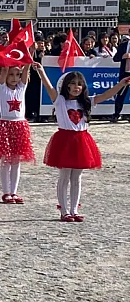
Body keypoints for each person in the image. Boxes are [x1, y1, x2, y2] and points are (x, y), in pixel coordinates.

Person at [34, 63, 130, 221]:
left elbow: (106, 95)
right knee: (64, 175)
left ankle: (74, 209)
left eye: (79, 84)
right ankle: (64, 210)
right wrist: (41, 71)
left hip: (81, 141)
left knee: (77, 177)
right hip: (65, 140)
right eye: (72, 84)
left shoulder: (86, 102)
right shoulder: (59, 101)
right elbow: (47, 85)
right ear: (66, 85)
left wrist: (121, 84)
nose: (76, 87)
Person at [0, 65, 34, 204]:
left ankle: (14, 192)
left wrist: (29, 55)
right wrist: (7, 61)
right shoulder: (1, 88)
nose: (15, 78)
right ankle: (6, 192)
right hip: (6, 125)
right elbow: (3, 71)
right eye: (11, 74)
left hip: (19, 126)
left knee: (16, 161)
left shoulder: (21, 88)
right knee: (6, 161)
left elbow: (26, 69)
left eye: (17, 75)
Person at [111, 37, 130, 122]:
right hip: (125, 73)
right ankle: (116, 114)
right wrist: (123, 56)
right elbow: (115, 58)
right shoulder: (123, 45)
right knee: (121, 94)